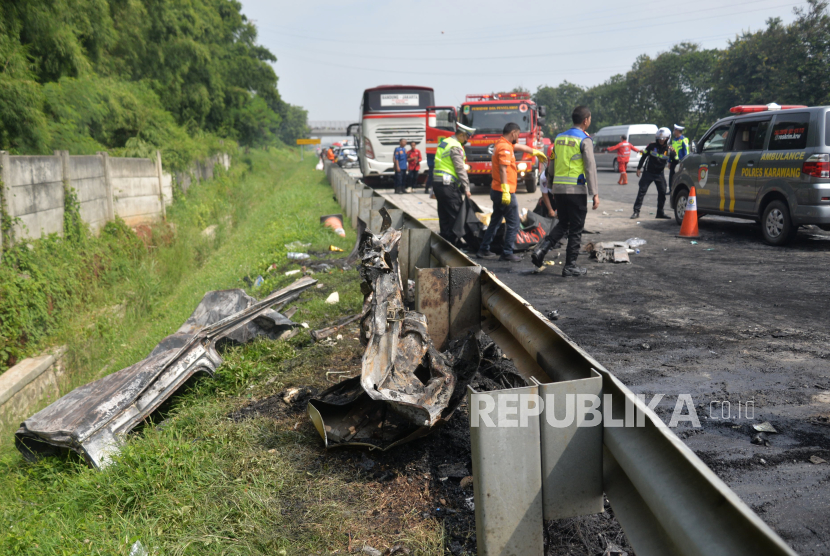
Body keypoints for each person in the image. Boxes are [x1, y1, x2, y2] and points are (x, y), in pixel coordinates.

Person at [530, 106, 599, 276]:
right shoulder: (585, 139)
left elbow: (551, 165)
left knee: (563, 223)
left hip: (559, 189)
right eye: (590, 118)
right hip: (576, 190)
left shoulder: (559, 138)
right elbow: (590, 167)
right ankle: (570, 265)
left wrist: (552, 186)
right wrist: (594, 193)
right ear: (586, 120)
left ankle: (541, 251)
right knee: (576, 227)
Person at [477, 123, 548, 262]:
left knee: (495, 221)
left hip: (497, 190)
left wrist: (535, 152)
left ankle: (483, 249)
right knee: (514, 223)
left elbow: (519, 147)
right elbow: (503, 169)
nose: (519, 137)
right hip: (505, 191)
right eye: (518, 134)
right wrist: (505, 190)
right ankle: (507, 252)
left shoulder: (502, 143)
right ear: (513, 133)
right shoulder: (505, 147)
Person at [433, 123, 475, 244]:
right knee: (455, 214)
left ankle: (446, 239)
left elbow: (437, 164)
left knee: (444, 213)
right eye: (467, 137)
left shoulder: (444, 142)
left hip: (438, 184)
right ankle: (455, 242)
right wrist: (467, 187)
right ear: (461, 135)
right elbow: (460, 168)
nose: (467, 140)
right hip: (448, 185)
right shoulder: (455, 146)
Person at [631, 127, 677, 220]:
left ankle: (660, 213)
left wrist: (673, 164)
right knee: (641, 192)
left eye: (663, 139)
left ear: (668, 139)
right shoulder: (651, 146)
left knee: (662, 193)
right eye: (659, 139)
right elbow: (644, 156)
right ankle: (636, 212)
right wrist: (639, 168)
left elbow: (676, 161)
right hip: (648, 172)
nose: (661, 141)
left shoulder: (670, 150)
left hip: (659, 174)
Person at [668, 124, 690, 193]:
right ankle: (671, 190)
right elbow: (671, 151)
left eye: (675, 130)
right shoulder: (674, 140)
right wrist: (669, 161)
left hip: (681, 161)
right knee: (671, 176)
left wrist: (685, 161)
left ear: (677, 131)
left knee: (680, 176)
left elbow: (686, 151)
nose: (674, 131)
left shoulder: (684, 139)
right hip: (674, 161)